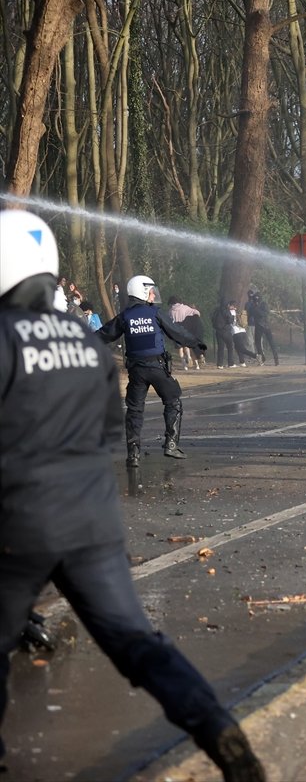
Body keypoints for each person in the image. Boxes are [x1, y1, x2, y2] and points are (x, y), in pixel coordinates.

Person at [0, 210, 264, 781]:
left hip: (19, 523)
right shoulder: (82, 343)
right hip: (92, 522)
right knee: (137, 642)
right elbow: (103, 433)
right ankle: (216, 726)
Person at [96, 275, 206, 465]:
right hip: (157, 367)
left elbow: (105, 334)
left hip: (136, 371)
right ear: (143, 292)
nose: (154, 294)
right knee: (173, 402)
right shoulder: (155, 313)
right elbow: (176, 332)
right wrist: (197, 343)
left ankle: (133, 455)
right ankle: (171, 445)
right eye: (151, 291)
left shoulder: (124, 316)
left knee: (134, 410)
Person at [245, 286, 279, 366]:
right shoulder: (254, 306)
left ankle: (275, 358)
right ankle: (262, 358)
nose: (255, 301)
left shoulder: (261, 305)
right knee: (258, 344)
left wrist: (256, 310)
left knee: (270, 343)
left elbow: (265, 313)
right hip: (260, 325)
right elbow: (250, 315)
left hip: (264, 325)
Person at [168, 295, 203, 370]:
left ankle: (184, 365)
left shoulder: (170, 310)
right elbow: (195, 312)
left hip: (175, 329)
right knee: (187, 345)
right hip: (184, 327)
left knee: (180, 348)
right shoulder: (185, 307)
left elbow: (169, 321)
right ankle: (193, 361)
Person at [210, 300, 236, 369]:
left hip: (218, 331)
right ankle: (230, 363)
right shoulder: (226, 311)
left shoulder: (216, 310)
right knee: (230, 347)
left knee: (220, 348)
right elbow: (230, 321)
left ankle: (219, 364)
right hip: (226, 331)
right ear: (226, 304)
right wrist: (233, 317)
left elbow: (212, 319)